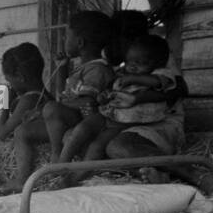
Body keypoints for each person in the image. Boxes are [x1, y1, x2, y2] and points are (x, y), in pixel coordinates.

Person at [74, 32, 178, 166]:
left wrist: (133, 79)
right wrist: (104, 97)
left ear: (157, 63)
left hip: (131, 124)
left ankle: (78, 174)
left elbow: (157, 82)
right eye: (129, 62)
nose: (132, 66)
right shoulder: (122, 74)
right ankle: (70, 170)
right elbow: (112, 93)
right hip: (114, 118)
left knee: (100, 146)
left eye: (141, 63)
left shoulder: (161, 73)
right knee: (84, 137)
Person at [41, 10, 115, 164]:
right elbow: (64, 94)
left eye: (67, 36)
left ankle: (56, 156)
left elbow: (86, 103)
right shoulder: (82, 68)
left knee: (51, 108)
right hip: (74, 120)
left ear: (80, 42)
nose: (64, 39)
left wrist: (59, 105)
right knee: (25, 129)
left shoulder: (97, 70)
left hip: (87, 125)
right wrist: (62, 68)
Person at [0, 42, 52, 190]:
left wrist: (5, 107)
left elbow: (2, 134)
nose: (10, 86)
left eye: (9, 80)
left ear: (20, 77)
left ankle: (21, 180)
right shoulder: (44, 95)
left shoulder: (29, 100)